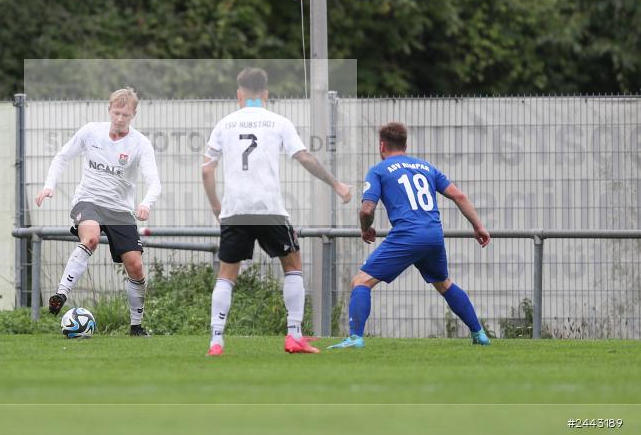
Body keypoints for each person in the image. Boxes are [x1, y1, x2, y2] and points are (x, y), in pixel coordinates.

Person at [202, 68, 353, 356]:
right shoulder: (278, 122)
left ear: (239, 94)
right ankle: (294, 335)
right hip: (269, 209)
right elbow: (304, 157)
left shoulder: (225, 124)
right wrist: (336, 184)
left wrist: (217, 207)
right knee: (292, 264)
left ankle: (216, 340)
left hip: (235, 211)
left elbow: (207, 169)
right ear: (266, 94)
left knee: (226, 273)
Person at [328, 121, 491, 350]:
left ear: (381, 145)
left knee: (360, 282)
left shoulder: (378, 170)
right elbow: (459, 196)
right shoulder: (427, 167)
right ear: (406, 144)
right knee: (444, 284)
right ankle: (479, 334)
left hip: (407, 235)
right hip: (434, 235)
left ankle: (355, 338)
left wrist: (365, 228)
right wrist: (478, 226)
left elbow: (367, 209)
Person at [35, 87, 161, 336]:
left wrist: (146, 203)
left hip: (120, 209)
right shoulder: (91, 131)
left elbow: (154, 181)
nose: (120, 118)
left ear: (133, 114)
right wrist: (49, 186)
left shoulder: (140, 144)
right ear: (109, 110)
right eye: (116, 113)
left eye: (125, 114)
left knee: (135, 266)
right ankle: (61, 294)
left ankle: (136, 326)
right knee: (90, 238)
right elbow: (61, 157)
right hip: (88, 200)